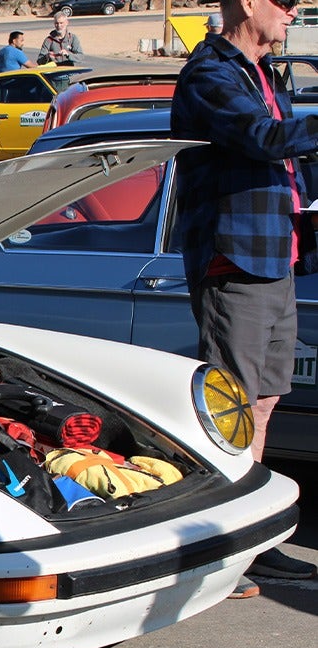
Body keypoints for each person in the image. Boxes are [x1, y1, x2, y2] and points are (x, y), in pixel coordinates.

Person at [171, 0, 318, 598]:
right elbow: (263, 139)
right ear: (248, 4)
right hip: (234, 259)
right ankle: (223, 552)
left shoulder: (263, 71)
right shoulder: (210, 73)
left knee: (263, 401)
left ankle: (254, 544)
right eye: (284, 7)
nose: (291, 18)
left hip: (273, 257)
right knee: (229, 410)